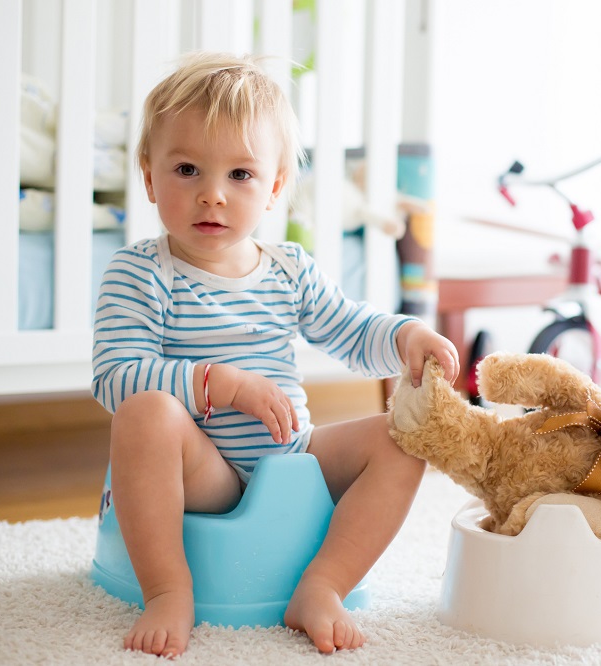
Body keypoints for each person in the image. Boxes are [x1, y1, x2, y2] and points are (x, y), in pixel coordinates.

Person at [91, 52, 458, 657]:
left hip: (292, 454)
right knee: (145, 413)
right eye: (187, 169)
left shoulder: (288, 269)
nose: (212, 195)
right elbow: (118, 378)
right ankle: (167, 589)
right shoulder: (140, 272)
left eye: (240, 175)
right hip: (204, 470)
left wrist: (404, 337)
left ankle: (323, 585)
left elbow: (348, 328)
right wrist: (224, 385)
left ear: (276, 187)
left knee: (404, 439)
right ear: (150, 177)